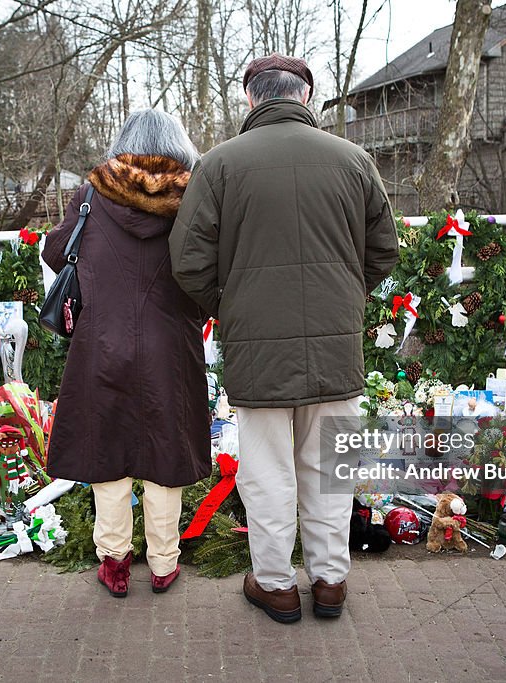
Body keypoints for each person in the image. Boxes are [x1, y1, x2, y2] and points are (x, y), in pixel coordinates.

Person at [169, 54, 399, 623]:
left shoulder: (219, 166)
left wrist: (232, 307)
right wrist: (347, 298)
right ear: (306, 97)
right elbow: (383, 251)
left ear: (251, 98)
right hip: (335, 344)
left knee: (266, 471)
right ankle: (330, 583)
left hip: (256, 347)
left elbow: (188, 260)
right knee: (329, 469)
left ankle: (274, 585)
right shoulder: (354, 161)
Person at [42, 109, 211, 598]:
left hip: (100, 343)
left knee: (106, 451)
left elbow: (58, 253)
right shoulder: (195, 197)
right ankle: (163, 562)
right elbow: (208, 269)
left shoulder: (92, 194)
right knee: (166, 450)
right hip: (172, 346)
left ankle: (114, 562)